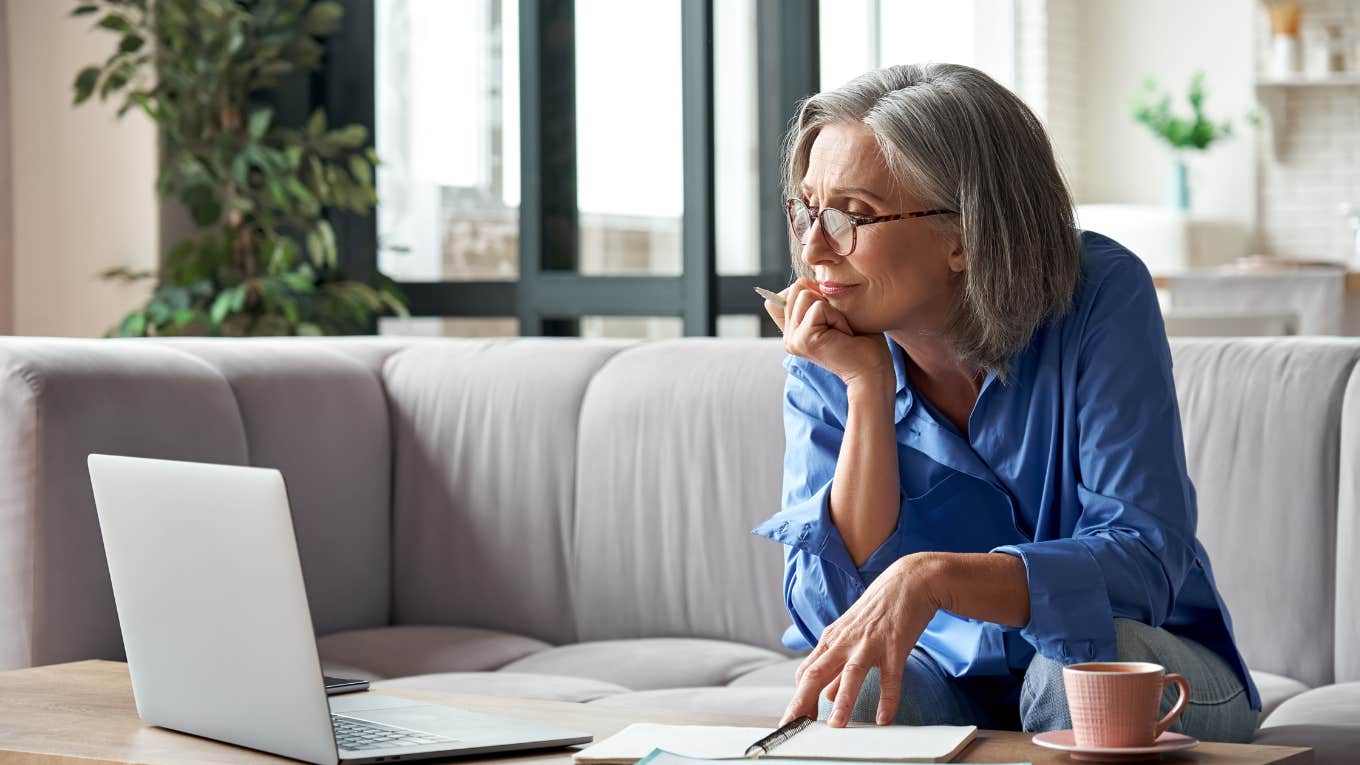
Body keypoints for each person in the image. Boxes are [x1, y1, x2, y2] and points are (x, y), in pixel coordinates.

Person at [752, 63, 1259, 743]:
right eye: (806, 210)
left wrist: (936, 578)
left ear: (964, 234)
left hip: (1146, 660)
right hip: (949, 678)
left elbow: (1144, 561)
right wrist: (866, 390)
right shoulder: (832, 342)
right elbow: (832, 618)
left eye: (853, 215)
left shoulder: (1101, 296)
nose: (814, 248)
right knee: (860, 686)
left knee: (1072, 672)